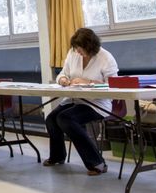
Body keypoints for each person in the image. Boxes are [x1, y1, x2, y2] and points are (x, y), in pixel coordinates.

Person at [44, 28, 119, 176]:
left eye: (81, 49)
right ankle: (57, 156)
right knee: (51, 119)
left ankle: (97, 163)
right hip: (74, 99)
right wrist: (63, 80)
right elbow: (62, 74)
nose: (78, 52)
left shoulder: (106, 58)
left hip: (96, 103)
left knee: (65, 118)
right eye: (76, 48)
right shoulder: (73, 54)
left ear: (91, 46)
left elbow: (114, 85)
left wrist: (88, 82)